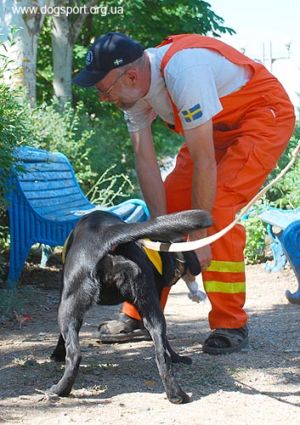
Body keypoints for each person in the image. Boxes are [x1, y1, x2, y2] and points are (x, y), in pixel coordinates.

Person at [73, 32, 295, 354]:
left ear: (131, 76)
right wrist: (161, 227)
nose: (105, 100)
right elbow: (146, 163)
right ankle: (142, 313)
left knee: (215, 210)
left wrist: (199, 238)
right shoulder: (133, 93)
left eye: (105, 91)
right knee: (165, 214)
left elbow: (204, 161)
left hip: (260, 120)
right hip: (211, 129)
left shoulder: (183, 71)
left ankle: (230, 322)